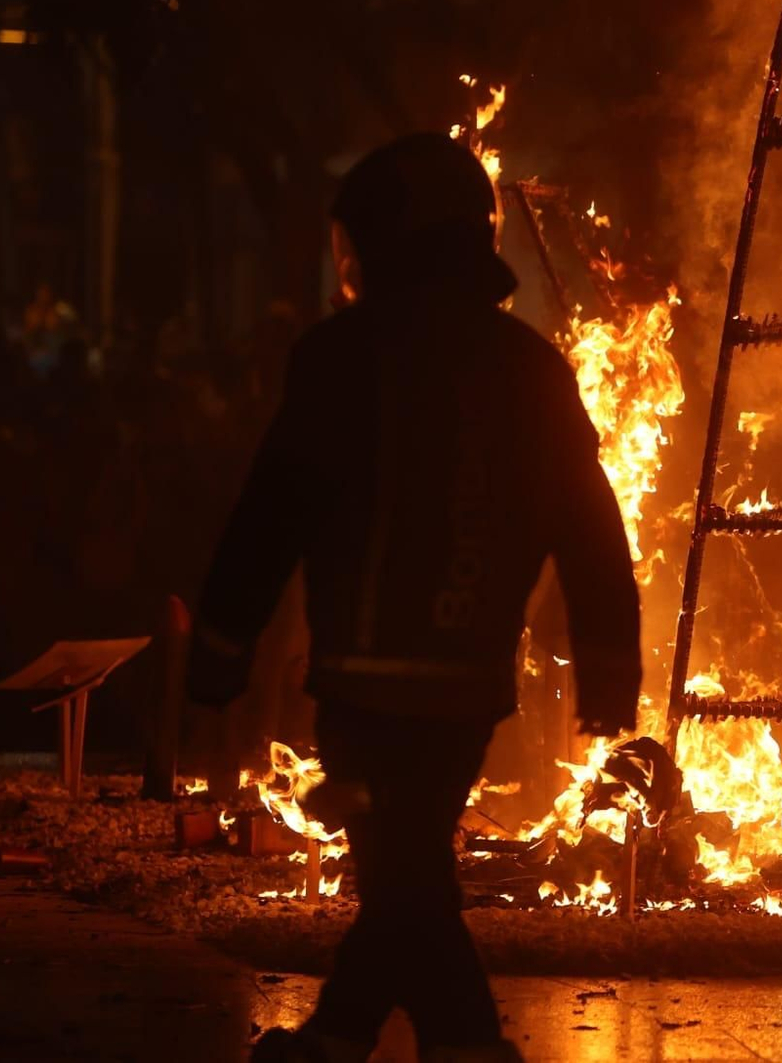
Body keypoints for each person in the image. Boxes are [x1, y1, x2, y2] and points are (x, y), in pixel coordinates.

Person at [188, 133, 642, 1063]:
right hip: (464, 689)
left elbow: (272, 511)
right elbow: (596, 538)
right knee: (409, 870)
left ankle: (421, 1042)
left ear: (391, 244)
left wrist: (222, 645)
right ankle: (377, 1036)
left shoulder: (341, 358)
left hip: (359, 685)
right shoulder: (533, 370)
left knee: (403, 878)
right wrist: (607, 672)